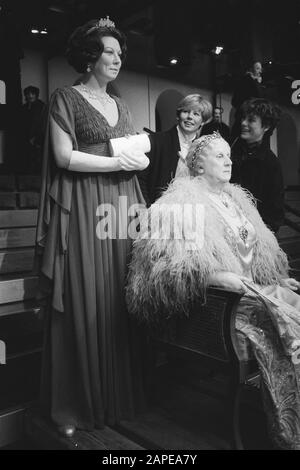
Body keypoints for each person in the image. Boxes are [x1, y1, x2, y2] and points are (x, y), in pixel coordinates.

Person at [126, 132, 300, 450]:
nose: (229, 160)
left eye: (229, 155)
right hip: (222, 304)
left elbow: (255, 255)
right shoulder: (178, 206)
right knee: (289, 325)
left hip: (255, 291)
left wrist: (276, 278)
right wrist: (217, 276)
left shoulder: (238, 201)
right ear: (198, 164)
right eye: (219, 156)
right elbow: (169, 270)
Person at [35, 17, 149, 437]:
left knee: (116, 297)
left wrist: (137, 161)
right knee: (87, 294)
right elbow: (64, 157)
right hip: (84, 205)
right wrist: (118, 160)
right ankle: (77, 401)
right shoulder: (65, 97)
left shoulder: (123, 105)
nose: (117, 59)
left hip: (121, 205)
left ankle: (116, 398)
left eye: (120, 54)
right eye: (109, 52)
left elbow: (135, 149)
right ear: (89, 56)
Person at [138, 94, 212, 206]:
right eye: (186, 111)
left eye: (196, 114)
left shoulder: (204, 149)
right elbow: (141, 179)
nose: (190, 117)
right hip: (157, 210)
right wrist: (147, 209)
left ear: (202, 121)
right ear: (178, 115)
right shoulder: (157, 141)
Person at [231, 98, 284, 234]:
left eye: (251, 120)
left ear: (266, 127)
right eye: (243, 118)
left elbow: (274, 214)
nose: (243, 123)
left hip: (252, 235)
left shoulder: (271, 164)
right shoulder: (229, 150)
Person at [231, 61, 266, 141]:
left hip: (249, 114)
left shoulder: (254, 81)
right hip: (246, 113)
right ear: (251, 69)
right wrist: (257, 83)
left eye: (260, 69)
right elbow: (257, 97)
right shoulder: (247, 80)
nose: (260, 71)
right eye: (257, 68)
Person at [21, 86, 46, 173]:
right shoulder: (24, 107)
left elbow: (42, 123)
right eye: (28, 94)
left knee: (37, 158)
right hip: (26, 136)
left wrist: (36, 137)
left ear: (36, 95)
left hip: (38, 137)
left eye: (32, 94)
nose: (30, 96)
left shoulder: (41, 107)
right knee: (27, 157)